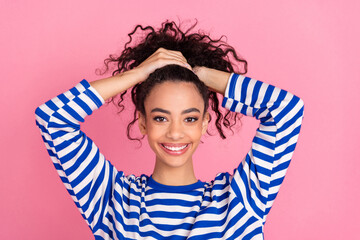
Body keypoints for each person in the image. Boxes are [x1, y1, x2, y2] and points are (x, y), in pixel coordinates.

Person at [35, 20, 304, 240]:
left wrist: (200, 74)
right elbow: (52, 119)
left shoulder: (241, 201)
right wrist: (137, 75)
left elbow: (286, 110)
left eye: (189, 119)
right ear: (143, 122)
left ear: (205, 122)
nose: (175, 133)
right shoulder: (112, 199)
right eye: (161, 118)